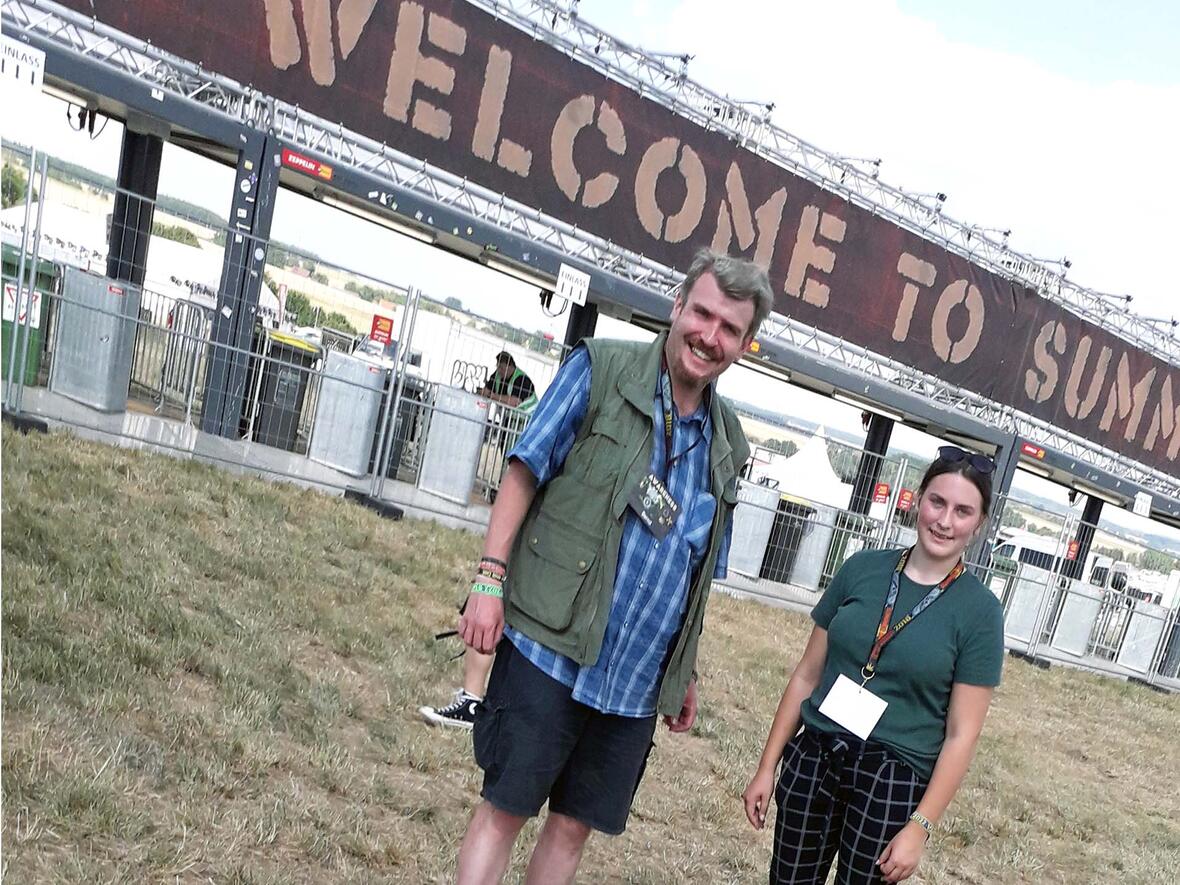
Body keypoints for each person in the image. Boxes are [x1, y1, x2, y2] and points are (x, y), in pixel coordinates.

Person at [455, 249, 772, 884]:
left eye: (729, 328)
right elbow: (523, 469)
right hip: (550, 645)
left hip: (633, 684)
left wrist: (686, 670)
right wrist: (489, 579)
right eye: (702, 313)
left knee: (573, 827)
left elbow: (698, 571)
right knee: (506, 808)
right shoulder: (600, 370)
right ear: (677, 306)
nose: (709, 336)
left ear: (744, 344)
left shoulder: (728, 441)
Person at [742, 446, 1005, 885]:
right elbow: (807, 674)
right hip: (816, 755)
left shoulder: (980, 613)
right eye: (937, 502)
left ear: (978, 525)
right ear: (918, 499)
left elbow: (963, 734)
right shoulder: (861, 570)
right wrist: (767, 766)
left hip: (892, 779)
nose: (944, 521)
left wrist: (919, 827)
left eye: (962, 511)